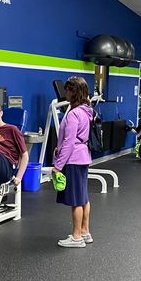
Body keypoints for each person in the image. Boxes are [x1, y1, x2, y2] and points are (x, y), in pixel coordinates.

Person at [52, 76, 93, 248]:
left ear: (73, 92)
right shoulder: (86, 110)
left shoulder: (74, 114)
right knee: (83, 197)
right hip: (83, 157)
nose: (65, 93)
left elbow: (69, 142)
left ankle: (76, 237)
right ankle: (85, 231)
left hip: (74, 159)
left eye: (68, 90)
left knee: (76, 199)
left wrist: (58, 165)